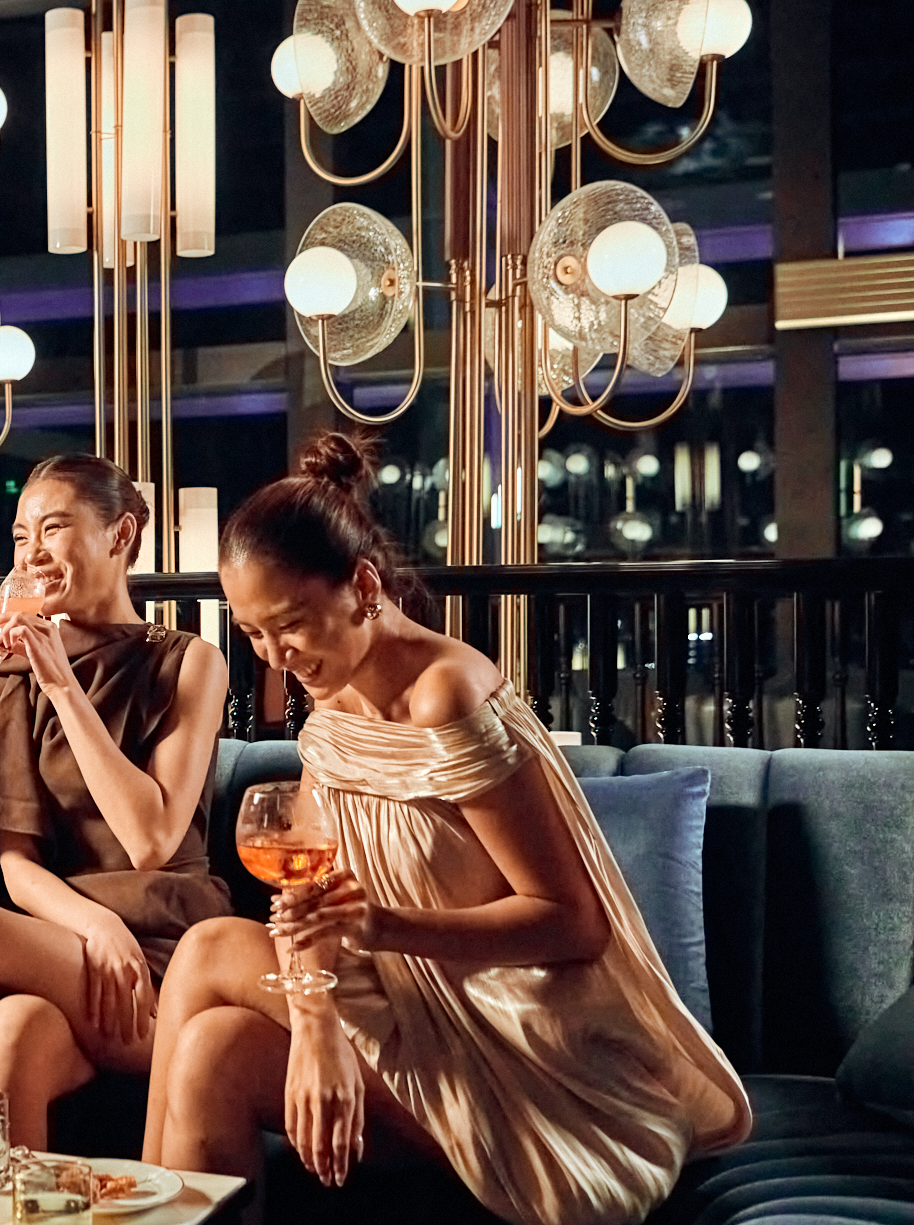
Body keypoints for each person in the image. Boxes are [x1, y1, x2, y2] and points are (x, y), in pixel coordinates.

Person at [140, 433, 750, 1225]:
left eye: (290, 624)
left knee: (210, 984)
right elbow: (309, 898)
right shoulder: (333, 708)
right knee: (209, 1026)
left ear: (363, 585)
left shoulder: (447, 698)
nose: (276, 658)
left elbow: (572, 920)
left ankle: (132, 1202)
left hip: (512, 1052)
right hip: (401, 1008)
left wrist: (382, 926)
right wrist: (316, 1029)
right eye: (254, 633)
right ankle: (135, 1206)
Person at [0, 455, 234, 1148]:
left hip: (168, 958)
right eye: (20, 535)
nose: (32, 552)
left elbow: (151, 837)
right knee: (14, 1031)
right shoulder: (11, 675)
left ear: (121, 535)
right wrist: (95, 925)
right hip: (71, 944)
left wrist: (62, 686)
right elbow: (16, 866)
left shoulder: (187, 661)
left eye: (53, 528)